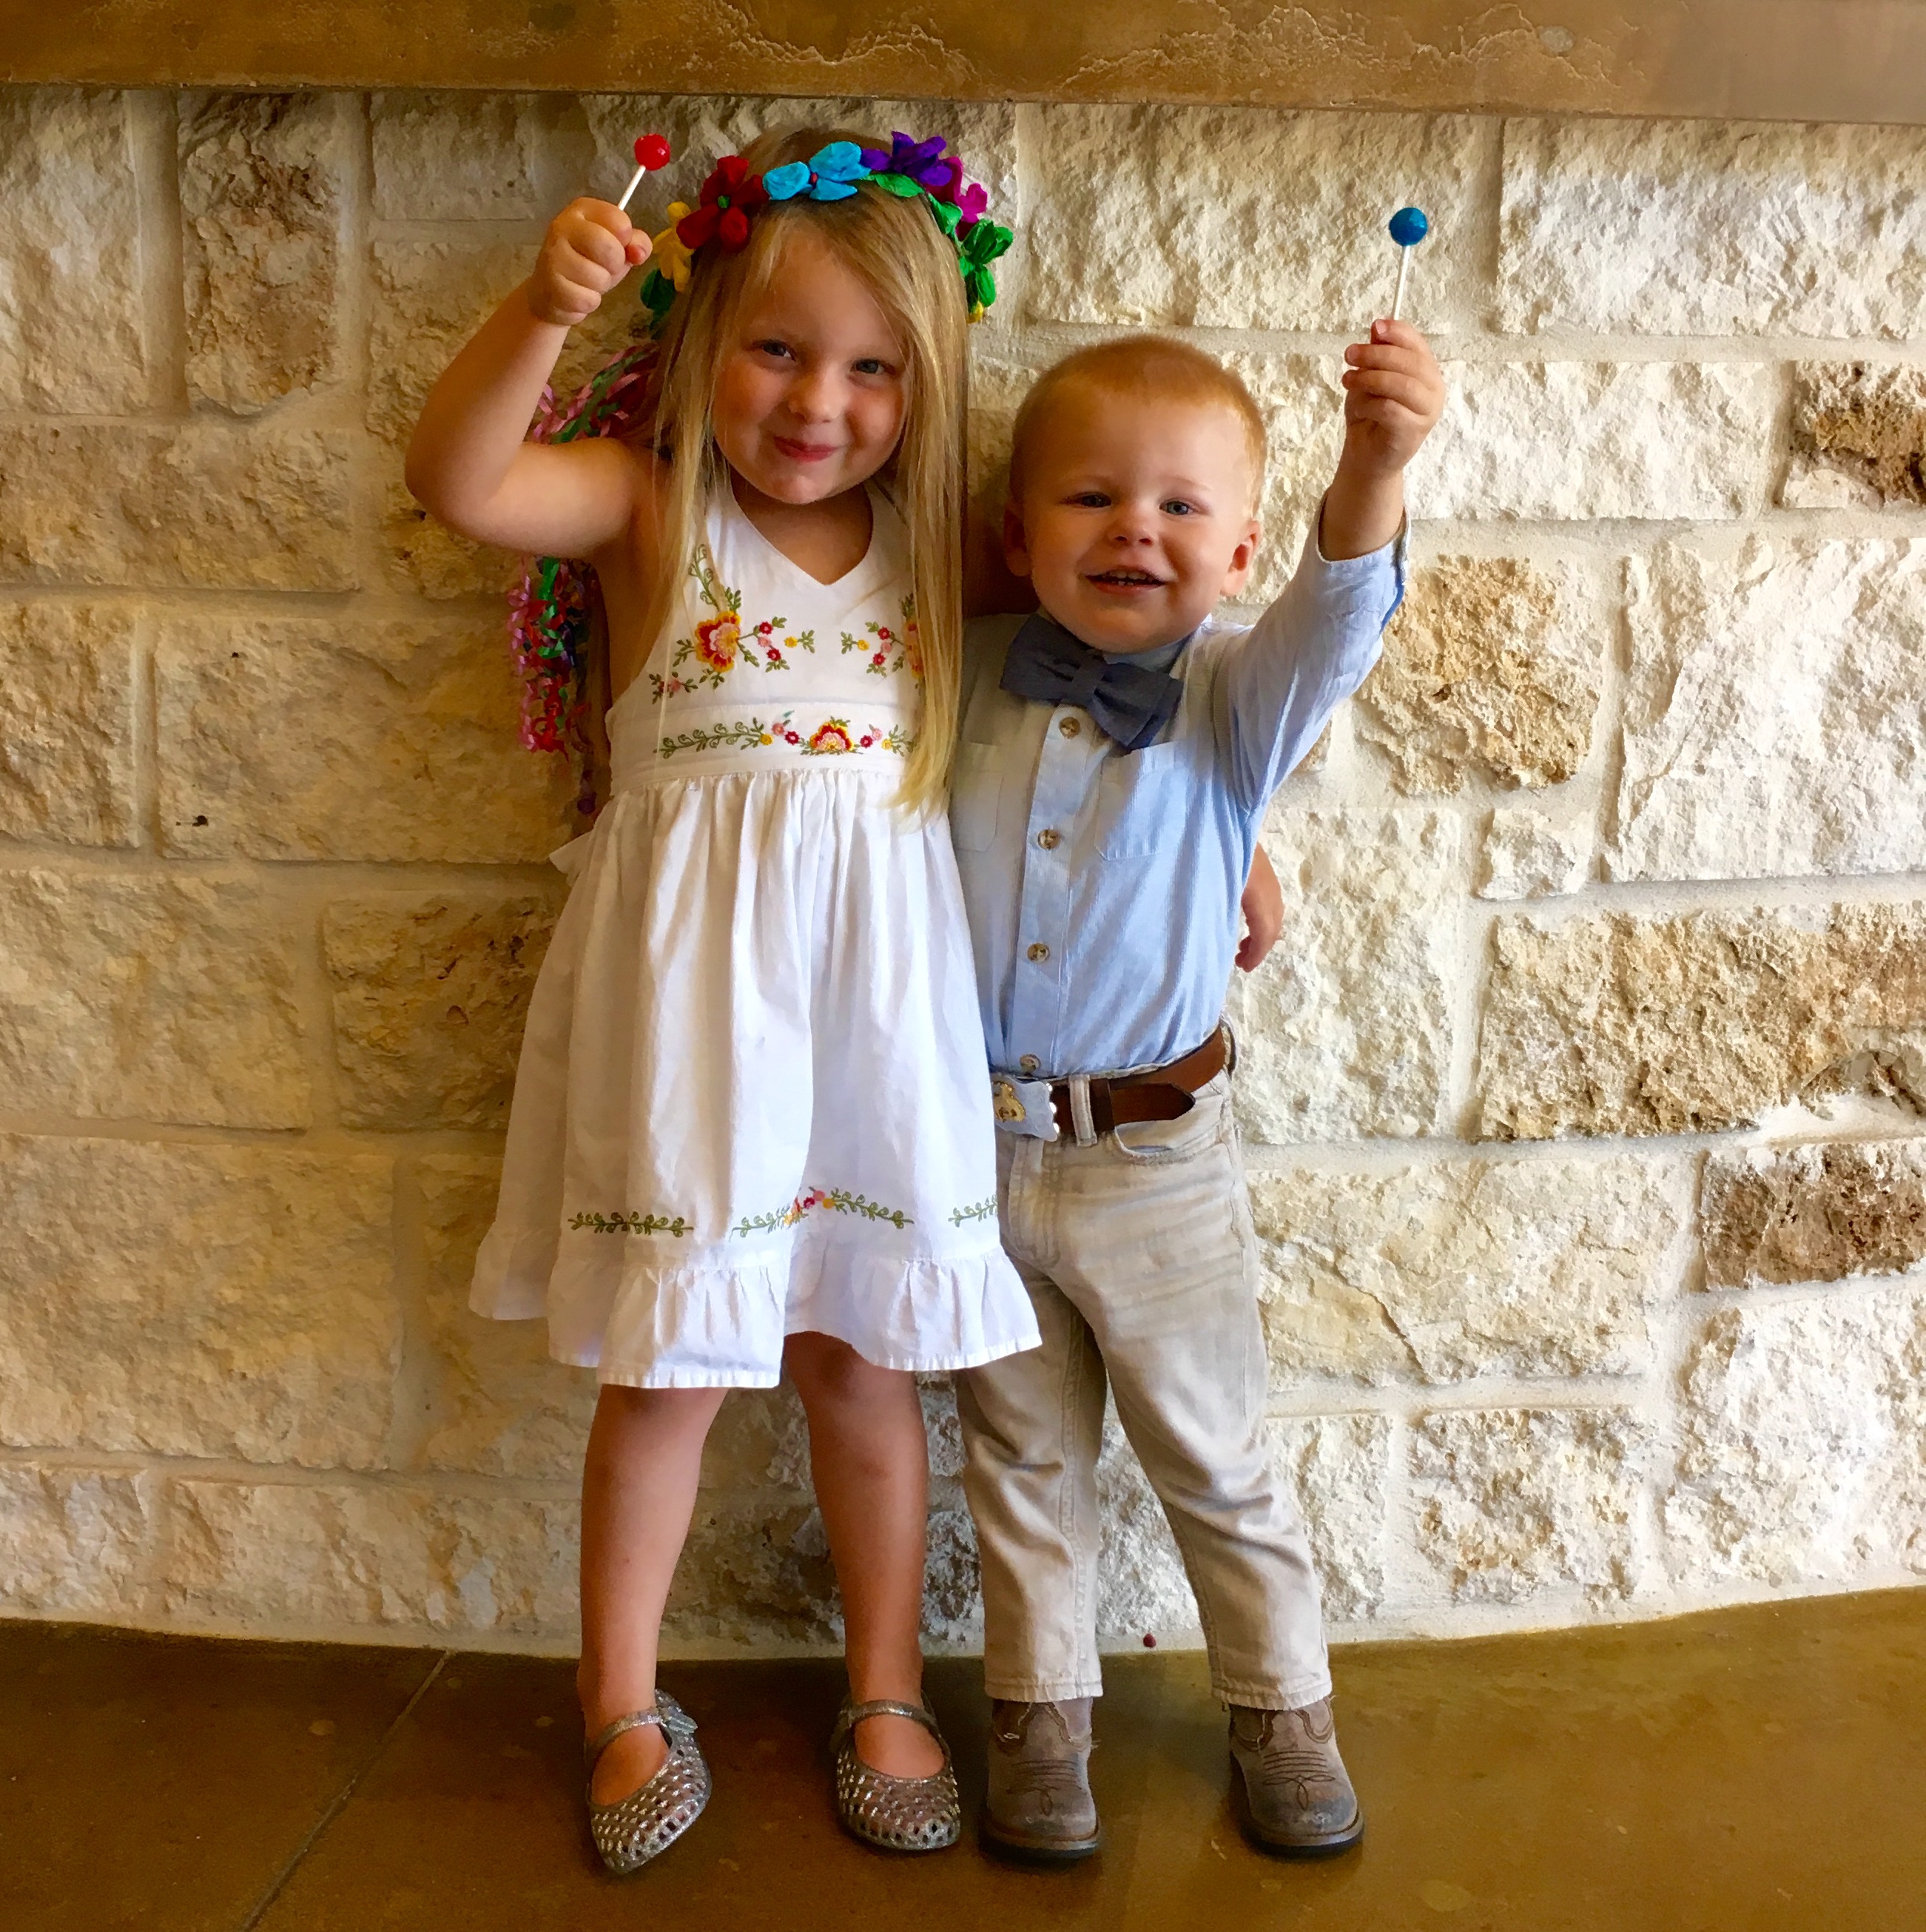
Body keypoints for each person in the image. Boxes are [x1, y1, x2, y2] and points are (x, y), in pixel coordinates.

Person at [403, 124, 1039, 1874]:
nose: (818, 402)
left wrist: (1235, 836)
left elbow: (1120, 618)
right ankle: (617, 1696)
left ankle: (887, 1683)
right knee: (667, 1373)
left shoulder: (935, 552)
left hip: (877, 1031)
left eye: (872, 369)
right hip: (695, 1028)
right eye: (776, 347)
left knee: (861, 1364)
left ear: (926, 384)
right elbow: (461, 480)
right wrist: (541, 311)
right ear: (699, 336)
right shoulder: (644, 506)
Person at [951, 325, 1445, 1859]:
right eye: (1090, 497)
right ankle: (1039, 1714)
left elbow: (1339, 613)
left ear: (1237, 551)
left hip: (1154, 1165)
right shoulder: (952, 680)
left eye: (1179, 507)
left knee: (1213, 1457)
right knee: (1019, 1460)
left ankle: (1282, 1707)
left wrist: (1373, 460)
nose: (1133, 531)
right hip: (970, 1153)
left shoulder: (1239, 698)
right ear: (1014, 533)